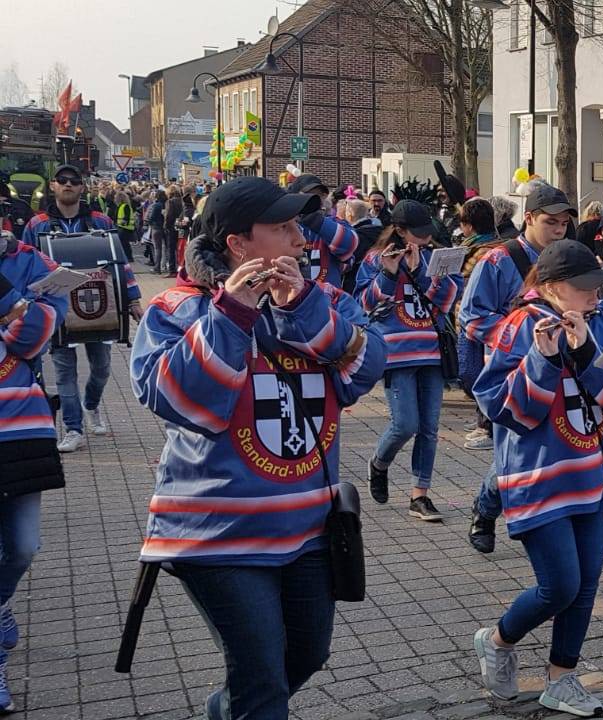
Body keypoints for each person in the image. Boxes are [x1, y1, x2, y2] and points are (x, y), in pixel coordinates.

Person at [130, 176, 386, 720]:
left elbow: (366, 369)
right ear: (239, 244)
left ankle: (228, 709)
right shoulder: (178, 307)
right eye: (284, 228)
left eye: (300, 226)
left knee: (308, 657)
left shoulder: (324, 299)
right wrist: (233, 314)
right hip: (217, 535)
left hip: (309, 530)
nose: (302, 239)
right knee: (263, 679)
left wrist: (306, 313)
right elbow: (178, 401)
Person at [470, 240, 603, 717]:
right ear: (547, 287)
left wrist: (587, 351)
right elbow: (505, 410)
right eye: (582, 286)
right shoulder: (520, 326)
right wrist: (542, 362)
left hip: (592, 473)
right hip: (536, 478)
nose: (594, 293)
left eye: (597, 284)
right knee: (560, 587)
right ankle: (498, 640)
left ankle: (562, 680)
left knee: (585, 586)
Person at [459, 184, 581, 553]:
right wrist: (520, 332)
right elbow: (471, 317)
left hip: (562, 368)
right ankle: (485, 509)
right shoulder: (498, 260)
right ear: (528, 218)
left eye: (563, 224)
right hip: (512, 373)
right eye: (550, 222)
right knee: (513, 453)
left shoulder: (572, 259)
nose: (558, 230)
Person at [22, 165, 144, 453]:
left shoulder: (99, 221)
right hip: (59, 311)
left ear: (82, 187)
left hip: (100, 309)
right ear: (53, 186)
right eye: (62, 181)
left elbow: (120, 263)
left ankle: (91, 405)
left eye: (74, 181)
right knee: (65, 373)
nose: (68, 185)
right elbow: (25, 265)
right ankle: (74, 428)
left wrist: (134, 300)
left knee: (102, 368)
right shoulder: (36, 224)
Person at [355, 199, 463, 521]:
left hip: (430, 350)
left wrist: (426, 275)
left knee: (429, 428)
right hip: (396, 352)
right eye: (416, 234)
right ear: (399, 231)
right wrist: (389, 275)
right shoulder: (376, 259)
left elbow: (446, 303)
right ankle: (379, 462)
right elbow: (363, 303)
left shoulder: (432, 257)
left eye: (426, 233)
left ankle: (420, 495)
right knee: (405, 424)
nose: (424, 239)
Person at [0, 227, 68, 713]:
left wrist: (9, 300)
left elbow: (37, 333)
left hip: (21, 426)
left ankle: (1, 603)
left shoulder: (28, 259)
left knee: (22, 546)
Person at [457, 197, 502, 451]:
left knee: (473, 373)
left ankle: (489, 424)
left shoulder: (482, 252)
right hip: (477, 319)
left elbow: (463, 281)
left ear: (469, 226)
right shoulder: (485, 247)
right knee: (478, 372)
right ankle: (483, 421)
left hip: (476, 320)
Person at [287, 175, 359, 289]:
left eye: (320, 195)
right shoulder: (285, 226)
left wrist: (316, 221)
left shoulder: (334, 223)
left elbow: (350, 245)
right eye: (309, 194)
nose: (316, 199)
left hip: (327, 301)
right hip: (291, 297)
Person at [113, 190, 138, 259]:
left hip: (124, 228)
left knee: (125, 244)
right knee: (124, 244)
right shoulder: (121, 206)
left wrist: (121, 224)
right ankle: (127, 257)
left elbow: (126, 217)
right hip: (123, 227)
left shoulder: (125, 206)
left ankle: (129, 257)